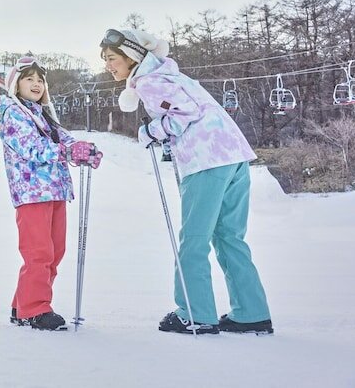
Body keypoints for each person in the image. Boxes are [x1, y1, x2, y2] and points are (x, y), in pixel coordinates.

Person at [100, 28, 273, 335]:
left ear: (131, 57)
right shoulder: (173, 76)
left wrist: (150, 131)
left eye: (112, 58)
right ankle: (251, 313)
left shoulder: (149, 81)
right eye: (105, 59)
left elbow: (185, 113)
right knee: (229, 237)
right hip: (233, 155)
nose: (108, 65)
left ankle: (195, 313)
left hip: (206, 160)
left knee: (194, 239)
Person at [0, 56, 102, 331]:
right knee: (39, 253)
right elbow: (32, 148)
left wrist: (83, 150)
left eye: (40, 80)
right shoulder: (14, 113)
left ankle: (22, 305)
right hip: (32, 193)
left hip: (55, 190)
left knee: (55, 252)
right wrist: (67, 152)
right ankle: (35, 309)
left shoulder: (42, 114)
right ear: (16, 85)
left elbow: (63, 138)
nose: (36, 84)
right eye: (29, 79)